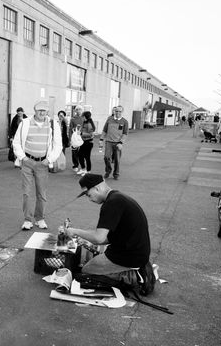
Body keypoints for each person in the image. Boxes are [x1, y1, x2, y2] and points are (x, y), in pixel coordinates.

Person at [64, 173, 150, 276]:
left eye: (89, 195)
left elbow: (99, 238)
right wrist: (86, 239)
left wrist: (75, 231)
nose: (90, 199)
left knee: (86, 270)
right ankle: (131, 269)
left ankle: (134, 275)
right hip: (137, 252)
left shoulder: (111, 203)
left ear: (97, 188)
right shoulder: (117, 197)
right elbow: (107, 238)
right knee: (91, 262)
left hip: (130, 256)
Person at [11, 100, 62, 230]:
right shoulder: (25, 123)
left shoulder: (53, 124)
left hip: (43, 163)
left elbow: (58, 145)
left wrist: (49, 159)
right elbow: (16, 142)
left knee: (41, 193)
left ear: (47, 112)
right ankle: (28, 220)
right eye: (39, 110)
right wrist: (23, 158)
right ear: (35, 110)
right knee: (27, 193)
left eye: (44, 110)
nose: (41, 112)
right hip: (28, 162)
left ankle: (40, 218)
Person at [100, 105, 128, 180]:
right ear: (114, 111)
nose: (118, 112)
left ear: (122, 112)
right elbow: (104, 130)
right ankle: (108, 171)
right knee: (106, 157)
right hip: (108, 142)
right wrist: (101, 140)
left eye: (120, 111)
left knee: (117, 160)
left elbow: (125, 133)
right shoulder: (109, 119)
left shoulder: (125, 121)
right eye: (116, 111)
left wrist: (121, 143)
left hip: (118, 143)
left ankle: (116, 174)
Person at [76, 110, 96, 175]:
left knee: (87, 157)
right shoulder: (85, 122)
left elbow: (91, 134)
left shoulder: (89, 124)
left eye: (83, 116)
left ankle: (88, 171)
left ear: (85, 116)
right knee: (80, 155)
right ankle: (83, 169)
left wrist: (81, 133)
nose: (82, 117)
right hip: (84, 142)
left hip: (88, 142)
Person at [69, 105, 85, 172]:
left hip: (82, 138)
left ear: (82, 110)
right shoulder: (73, 119)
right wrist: (70, 139)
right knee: (74, 152)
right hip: (74, 138)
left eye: (80, 109)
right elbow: (70, 129)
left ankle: (82, 165)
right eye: (77, 109)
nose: (78, 111)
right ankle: (75, 165)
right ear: (75, 111)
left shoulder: (84, 118)